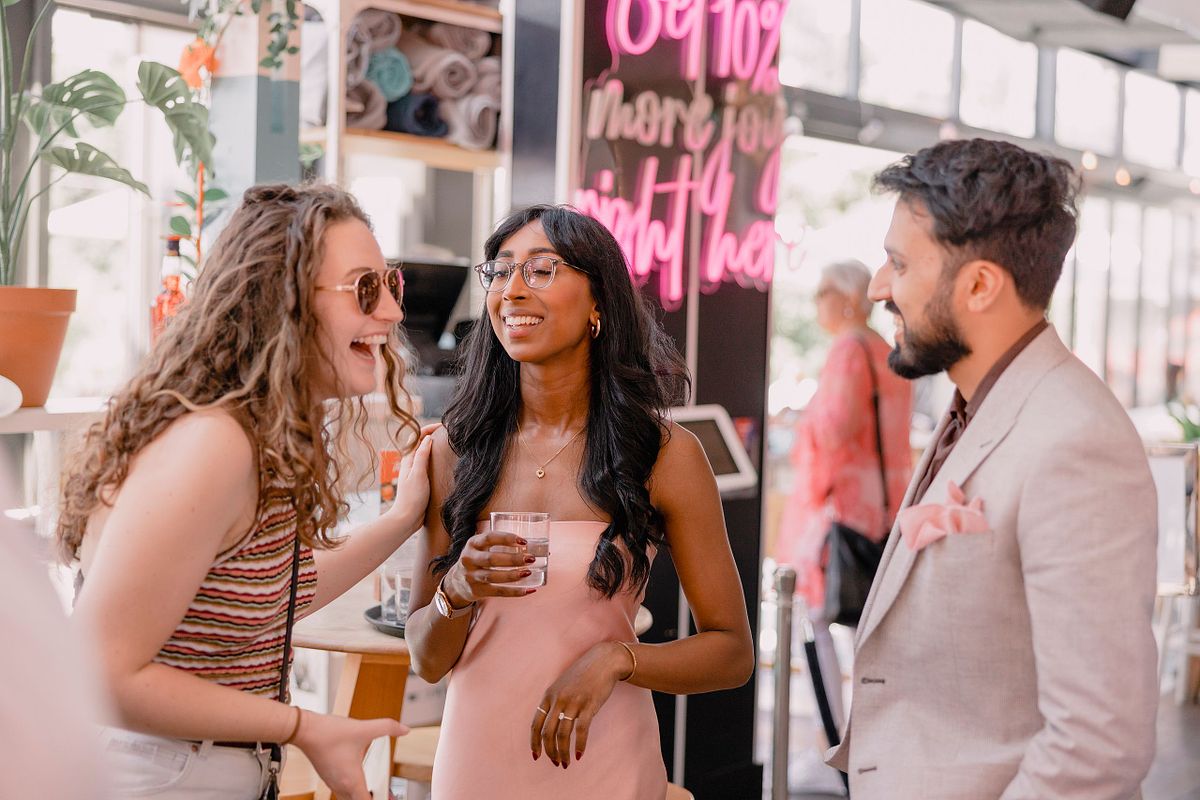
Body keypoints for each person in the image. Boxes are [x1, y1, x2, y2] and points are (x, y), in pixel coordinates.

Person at [57, 183, 434, 800]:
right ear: (281, 300)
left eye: (390, 285)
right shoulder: (215, 443)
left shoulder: (254, 438)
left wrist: (401, 519)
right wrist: (303, 726)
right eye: (366, 289)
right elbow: (101, 672)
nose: (392, 313)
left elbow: (272, 596)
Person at [826, 138, 1158, 798]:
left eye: (898, 263)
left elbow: (1098, 742)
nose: (877, 288)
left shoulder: (1074, 443)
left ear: (980, 285)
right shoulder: (976, 400)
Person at [404, 205, 755, 799]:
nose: (512, 290)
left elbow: (731, 653)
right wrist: (457, 589)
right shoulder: (453, 450)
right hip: (476, 766)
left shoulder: (665, 454)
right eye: (501, 271)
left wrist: (619, 659)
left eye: (541, 270)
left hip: (604, 763)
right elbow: (426, 659)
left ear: (598, 302)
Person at [775, 259, 912, 728]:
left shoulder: (849, 349)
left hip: (845, 510)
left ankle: (837, 736)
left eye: (822, 292)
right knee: (867, 628)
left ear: (847, 299)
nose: (816, 303)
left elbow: (833, 432)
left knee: (817, 620)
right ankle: (868, 730)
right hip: (886, 509)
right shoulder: (886, 351)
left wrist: (802, 427)